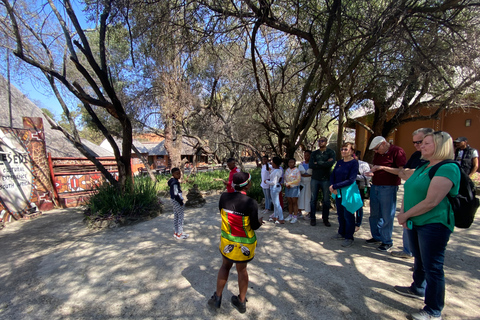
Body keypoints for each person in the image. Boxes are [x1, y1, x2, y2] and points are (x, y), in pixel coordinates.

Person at [394, 131, 460, 320]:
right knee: (420, 260)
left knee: (433, 266)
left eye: (426, 144)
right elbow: (408, 188)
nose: (421, 147)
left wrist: (406, 214)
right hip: (415, 221)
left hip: (434, 224)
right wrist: (403, 214)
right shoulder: (424, 166)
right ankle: (417, 288)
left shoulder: (447, 168)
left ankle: (433, 310)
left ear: (440, 146)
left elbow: (432, 201)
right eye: (421, 144)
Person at [208, 172, 264, 313]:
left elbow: (222, 212)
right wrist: (260, 222)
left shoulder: (224, 197)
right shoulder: (251, 203)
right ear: (248, 185)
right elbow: (254, 226)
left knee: (225, 266)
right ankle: (241, 301)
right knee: (242, 270)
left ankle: (217, 298)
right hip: (245, 242)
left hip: (228, 240)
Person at [393, 128, 434, 259]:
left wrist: (412, 174)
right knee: (409, 231)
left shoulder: (442, 164)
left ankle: (422, 260)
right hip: (410, 202)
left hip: (427, 210)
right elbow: (403, 172)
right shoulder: (417, 156)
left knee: (426, 242)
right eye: (414, 143)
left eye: (421, 142)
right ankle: (409, 252)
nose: (418, 146)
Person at [365, 136, 406, 252]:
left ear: (383, 143)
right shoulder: (378, 154)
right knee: (374, 214)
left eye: (377, 149)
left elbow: (401, 171)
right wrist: (372, 172)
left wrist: (383, 167)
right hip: (376, 185)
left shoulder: (397, 151)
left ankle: (387, 241)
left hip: (389, 187)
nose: (376, 152)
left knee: (387, 214)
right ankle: (377, 236)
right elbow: (377, 168)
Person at [329, 142, 363, 247]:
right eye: (342, 149)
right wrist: (332, 186)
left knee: (348, 214)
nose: (343, 151)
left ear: (352, 151)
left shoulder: (354, 163)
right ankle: (341, 232)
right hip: (338, 191)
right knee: (340, 213)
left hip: (348, 192)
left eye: (346, 149)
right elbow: (333, 175)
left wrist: (335, 186)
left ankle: (349, 237)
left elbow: (351, 179)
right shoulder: (339, 162)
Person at [309, 137, 336, 227]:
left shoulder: (331, 152)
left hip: (326, 179)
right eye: (319, 141)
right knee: (313, 199)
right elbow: (311, 165)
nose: (320, 142)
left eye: (322, 141)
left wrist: (318, 163)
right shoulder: (314, 153)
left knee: (326, 200)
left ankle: (325, 219)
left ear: (326, 142)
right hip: (315, 178)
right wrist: (324, 162)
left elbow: (331, 164)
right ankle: (312, 218)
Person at [168, 168, 189, 240]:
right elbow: (176, 194)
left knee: (176, 216)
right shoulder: (175, 183)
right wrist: (180, 202)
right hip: (176, 200)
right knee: (180, 217)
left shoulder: (173, 181)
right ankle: (180, 234)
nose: (179, 175)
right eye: (177, 174)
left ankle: (176, 232)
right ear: (173, 175)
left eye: (179, 173)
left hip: (173, 200)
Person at [354, 150, 371, 232]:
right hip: (350, 188)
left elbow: (367, 177)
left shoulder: (363, 164)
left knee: (359, 206)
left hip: (360, 187)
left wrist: (354, 176)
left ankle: (358, 223)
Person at [264, 157, 284, 224]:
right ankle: (275, 216)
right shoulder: (279, 170)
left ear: (275, 163)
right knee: (275, 203)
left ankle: (281, 218)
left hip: (274, 187)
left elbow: (273, 182)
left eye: (272, 162)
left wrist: (266, 181)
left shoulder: (276, 171)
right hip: (277, 187)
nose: (271, 164)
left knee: (277, 204)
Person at [284, 158, 301, 224]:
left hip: (294, 187)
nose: (290, 164)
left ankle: (295, 216)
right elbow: (285, 178)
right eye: (289, 162)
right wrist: (286, 184)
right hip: (287, 188)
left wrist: (289, 184)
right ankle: (290, 215)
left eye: (292, 162)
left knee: (294, 202)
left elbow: (298, 180)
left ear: (294, 163)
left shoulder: (297, 170)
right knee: (290, 202)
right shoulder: (287, 170)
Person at [298, 150, 312, 219]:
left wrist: (306, 175)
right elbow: (299, 173)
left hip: (309, 182)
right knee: (300, 197)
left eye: (308, 155)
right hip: (302, 182)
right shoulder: (301, 164)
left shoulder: (312, 164)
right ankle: (299, 211)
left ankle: (308, 212)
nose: (306, 157)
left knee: (308, 197)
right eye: (305, 155)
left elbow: (312, 174)